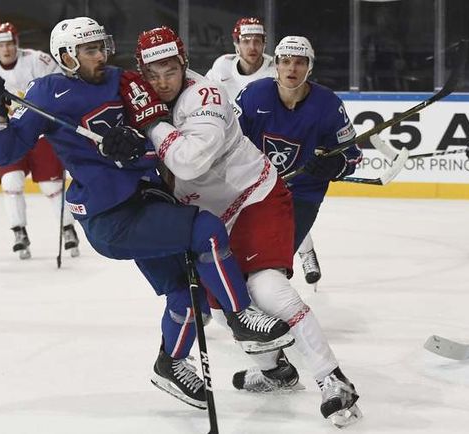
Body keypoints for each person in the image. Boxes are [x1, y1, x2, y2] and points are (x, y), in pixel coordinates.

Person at [0, 16, 294, 411]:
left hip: (148, 201)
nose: (100, 55)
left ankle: (170, 364)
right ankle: (241, 317)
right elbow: (4, 154)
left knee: (185, 292)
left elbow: (156, 127)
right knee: (205, 229)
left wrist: (138, 146)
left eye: (101, 46)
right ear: (67, 57)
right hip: (113, 217)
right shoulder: (46, 93)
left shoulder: (123, 80)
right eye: (89, 50)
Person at [120, 26, 361, 426]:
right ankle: (273, 371)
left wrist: (150, 124)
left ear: (184, 64)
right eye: (152, 74)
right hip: (207, 220)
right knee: (232, 305)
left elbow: (190, 161)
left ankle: (333, 380)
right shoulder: (141, 93)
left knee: (266, 290)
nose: (162, 82)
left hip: (253, 200)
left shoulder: (205, 96)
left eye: (170, 70)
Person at [206, 18, 322, 286]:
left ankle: (305, 252)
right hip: (234, 145)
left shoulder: (277, 68)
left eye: (258, 40)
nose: (252, 46)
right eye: (246, 41)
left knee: (283, 201)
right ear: (236, 44)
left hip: (269, 142)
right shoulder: (221, 67)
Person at [235, 36, 362, 274]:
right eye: (285, 61)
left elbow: (352, 156)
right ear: (276, 66)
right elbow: (228, 141)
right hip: (256, 188)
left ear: (309, 67)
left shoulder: (328, 105)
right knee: (236, 259)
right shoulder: (254, 94)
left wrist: (335, 165)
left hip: (303, 195)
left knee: (271, 267)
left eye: (299, 62)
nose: (291, 68)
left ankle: (267, 308)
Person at [0, 22, 79, 260]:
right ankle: (19, 231)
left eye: (9, 43)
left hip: (39, 131)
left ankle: (68, 228)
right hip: (6, 132)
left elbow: (60, 89)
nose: (5, 49)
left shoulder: (38, 61)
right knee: (11, 181)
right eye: (0, 45)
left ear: (16, 43)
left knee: (51, 186)